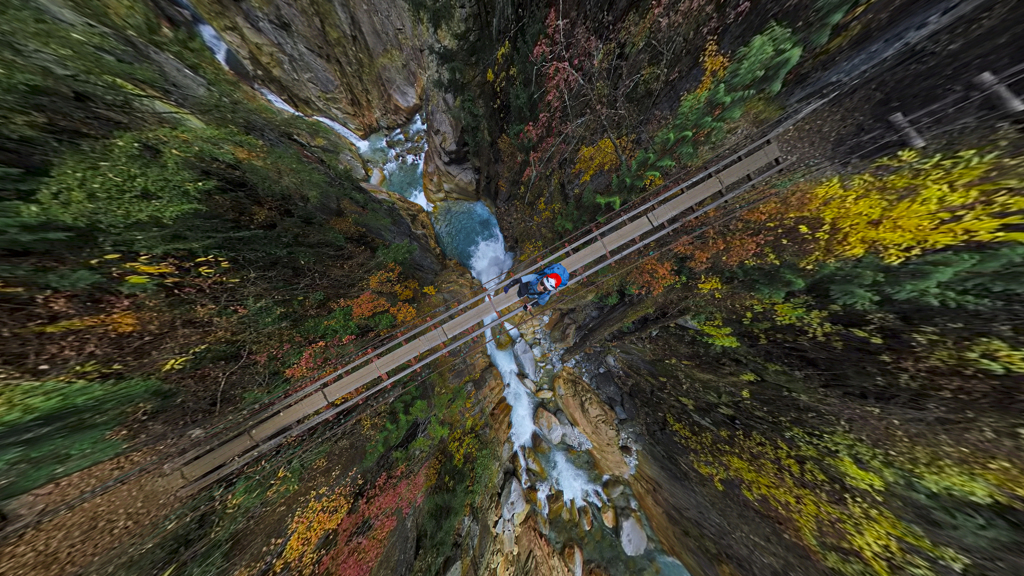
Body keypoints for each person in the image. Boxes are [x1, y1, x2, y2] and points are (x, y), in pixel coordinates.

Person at [503, 262, 568, 313]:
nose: (541, 287)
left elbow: (539, 302)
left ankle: (526, 294)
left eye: (545, 288)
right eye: (542, 283)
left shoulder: (545, 296)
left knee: (523, 294)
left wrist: (530, 306)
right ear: (542, 279)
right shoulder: (534, 277)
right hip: (529, 287)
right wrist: (508, 286)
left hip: (531, 292)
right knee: (520, 294)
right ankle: (523, 293)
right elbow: (518, 280)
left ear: (549, 290)